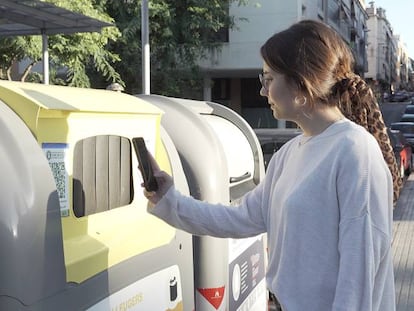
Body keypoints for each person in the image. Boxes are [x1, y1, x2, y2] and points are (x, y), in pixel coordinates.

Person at [143, 20, 396, 311]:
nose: (263, 92)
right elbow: (241, 218)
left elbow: (360, 275)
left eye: (269, 79)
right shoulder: (289, 153)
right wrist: (169, 200)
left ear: (303, 82)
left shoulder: (355, 151)